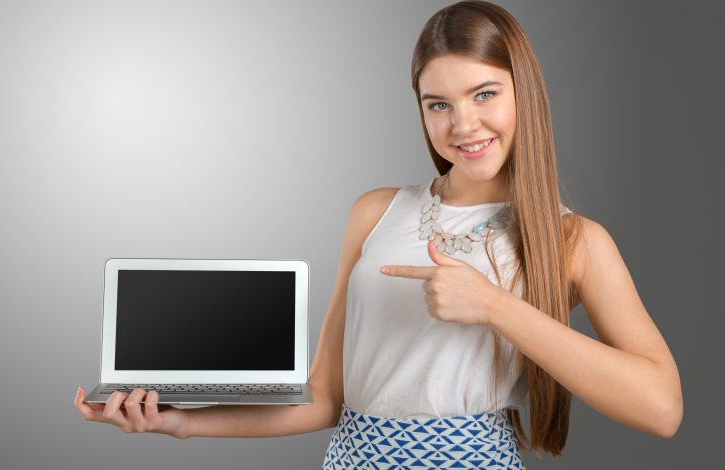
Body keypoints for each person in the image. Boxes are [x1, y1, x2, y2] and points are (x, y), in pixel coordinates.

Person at [74, 1, 683, 467]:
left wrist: (496, 306)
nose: (462, 124)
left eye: (485, 94)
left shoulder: (574, 240)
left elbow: (661, 408)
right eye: (437, 103)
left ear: (526, 97)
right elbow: (323, 398)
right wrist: (179, 423)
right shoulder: (376, 211)